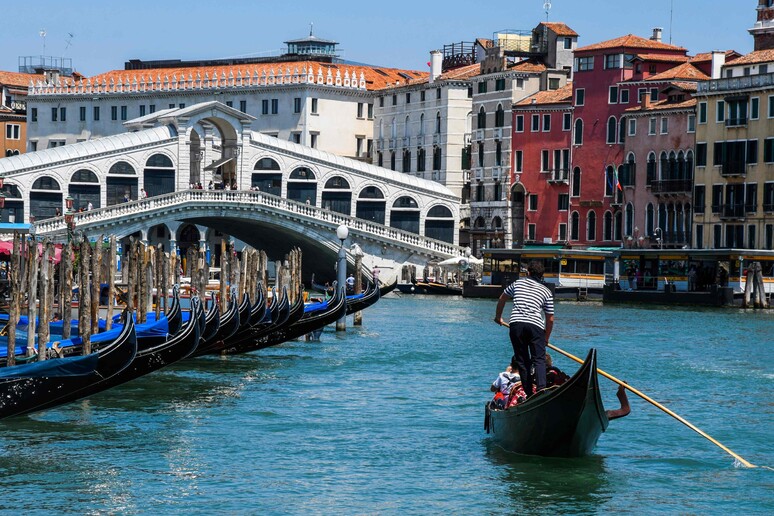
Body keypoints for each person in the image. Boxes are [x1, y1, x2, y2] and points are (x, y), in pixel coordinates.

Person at [494, 260, 554, 399]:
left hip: (517, 325)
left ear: (528, 273)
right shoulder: (546, 291)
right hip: (536, 326)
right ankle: (541, 390)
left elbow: (502, 298)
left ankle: (529, 394)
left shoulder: (518, 283)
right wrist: (546, 338)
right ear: (541, 276)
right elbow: (550, 318)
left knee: (522, 361)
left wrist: (498, 317)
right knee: (539, 359)